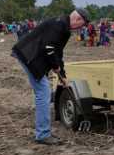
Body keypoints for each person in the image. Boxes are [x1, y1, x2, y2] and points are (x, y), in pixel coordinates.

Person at [12, 8, 89, 145]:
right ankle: (42, 134)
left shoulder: (64, 28)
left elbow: (58, 53)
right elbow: (49, 48)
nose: (80, 28)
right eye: (82, 25)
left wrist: (62, 75)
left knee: (43, 91)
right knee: (44, 92)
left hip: (33, 55)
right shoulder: (58, 25)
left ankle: (43, 132)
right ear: (77, 19)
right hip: (29, 55)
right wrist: (55, 66)